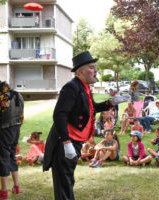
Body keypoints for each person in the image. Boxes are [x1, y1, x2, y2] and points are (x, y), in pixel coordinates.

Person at [43, 51, 117, 200]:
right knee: (64, 183)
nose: (96, 71)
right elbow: (59, 115)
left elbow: (91, 107)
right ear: (80, 71)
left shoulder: (85, 87)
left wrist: (110, 103)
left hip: (74, 142)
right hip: (65, 143)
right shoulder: (71, 88)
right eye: (92, 67)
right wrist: (66, 142)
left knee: (68, 180)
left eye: (95, 67)